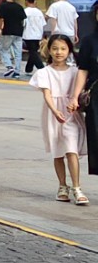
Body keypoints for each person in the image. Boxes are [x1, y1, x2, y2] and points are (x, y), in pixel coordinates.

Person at [32, 33, 88, 205]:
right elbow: (47, 94)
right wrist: (55, 111)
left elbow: (81, 89)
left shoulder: (75, 71)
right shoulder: (44, 72)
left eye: (63, 49)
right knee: (58, 152)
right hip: (53, 115)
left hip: (71, 114)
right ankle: (62, 186)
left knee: (71, 149)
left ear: (69, 51)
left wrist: (75, 102)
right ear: (49, 50)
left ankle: (77, 188)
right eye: (55, 48)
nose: (59, 52)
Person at [0, 0, 26, 79]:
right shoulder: (19, 7)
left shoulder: (3, 6)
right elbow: (23, 20)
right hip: (18, 32)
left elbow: (1, 19)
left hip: (7, 31)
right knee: (18, 53)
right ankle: (17, 72)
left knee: (4, 50)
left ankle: (9, 66)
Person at [24, 0, 50, 76]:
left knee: (33, 52)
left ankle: (41, 68)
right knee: (33, 51)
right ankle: (28, 68)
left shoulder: (25, 11)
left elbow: (23, 24)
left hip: (28, 34)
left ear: (26, 1)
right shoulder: (39, 12)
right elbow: (43, 24)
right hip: (38, 34)